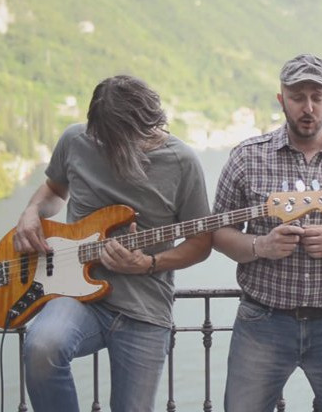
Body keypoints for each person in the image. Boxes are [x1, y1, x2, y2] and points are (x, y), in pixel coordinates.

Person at [14, 75, 213, 411]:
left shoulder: (182, 162)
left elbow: (201, 242)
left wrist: (149, 263)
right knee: (41, 348)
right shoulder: (77, 140)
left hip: (144, 308)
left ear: (148, 125)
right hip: (75, 295)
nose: (110, 147)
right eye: (103, 139)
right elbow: (54, 190)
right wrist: (31, 211)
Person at [212, 53, 322, 412]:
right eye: (297, 97)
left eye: (317, 97)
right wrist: (261, 245)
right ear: (281, 99)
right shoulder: (247, 156)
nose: (308, 107)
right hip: (262, 320)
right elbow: (219, 234)